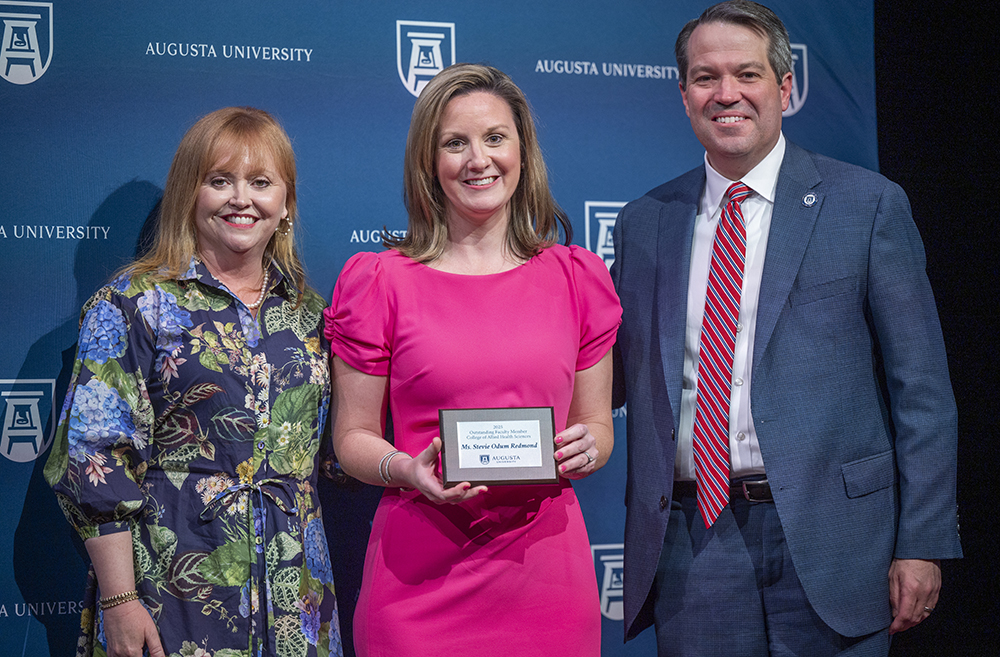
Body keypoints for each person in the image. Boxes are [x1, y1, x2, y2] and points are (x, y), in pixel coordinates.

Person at [612, 0, 961, 656]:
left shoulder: (868, 205)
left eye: (746, 73)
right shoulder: (643, 222)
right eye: (705, 77)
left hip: (836, 539)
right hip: (695, 540)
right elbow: (609, 378)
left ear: (784, 85)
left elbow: (922, 390)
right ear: (683, 93)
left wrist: (923, 540)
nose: (727, 93)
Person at [325, 63, 621, 657]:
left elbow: (597, 426)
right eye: (454, 142)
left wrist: (590, 446)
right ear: (429, 162)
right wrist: (407, 469)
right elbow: (352, 436)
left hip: (547, 579)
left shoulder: (576, 277)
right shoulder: (380, 281)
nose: (477, 159)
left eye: (494, 138)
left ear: (522, 150)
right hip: (417, 581)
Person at [45, 107, 342, 657]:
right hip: (172, 592)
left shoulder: (311, 318)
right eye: (219, 180)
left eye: (260, 182)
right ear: (190, 192)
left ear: (285, 205)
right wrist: (119, 600)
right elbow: (94, 459)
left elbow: (336, 449)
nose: (240, 199)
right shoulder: (135, 304)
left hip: (295, 595)